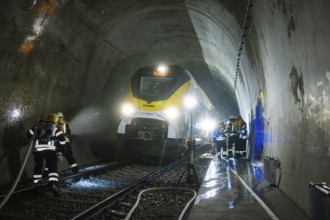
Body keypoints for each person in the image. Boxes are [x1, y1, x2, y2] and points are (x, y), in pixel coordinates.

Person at [27, 114, 66, 196]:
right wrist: (62, 148)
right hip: (50, 150)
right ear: (54, 120)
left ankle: (36, 182)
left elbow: (28, 134)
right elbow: (62, 139)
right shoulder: (55, 127)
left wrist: (36, 133)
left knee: (38, 165)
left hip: (38, 150)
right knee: (53, 167)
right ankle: (53, 183)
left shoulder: (38, 126)